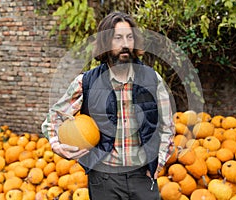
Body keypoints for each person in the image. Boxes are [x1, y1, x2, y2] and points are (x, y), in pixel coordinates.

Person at [42, 11, 175, 200]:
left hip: (143, 176)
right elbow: (52, 120)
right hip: (104, 178)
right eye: (117, 38)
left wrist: (158, 164)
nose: (125, 44)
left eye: (129, 37)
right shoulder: (86, 82)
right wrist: (57, 146)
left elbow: (167, 127)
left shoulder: (152, 80)